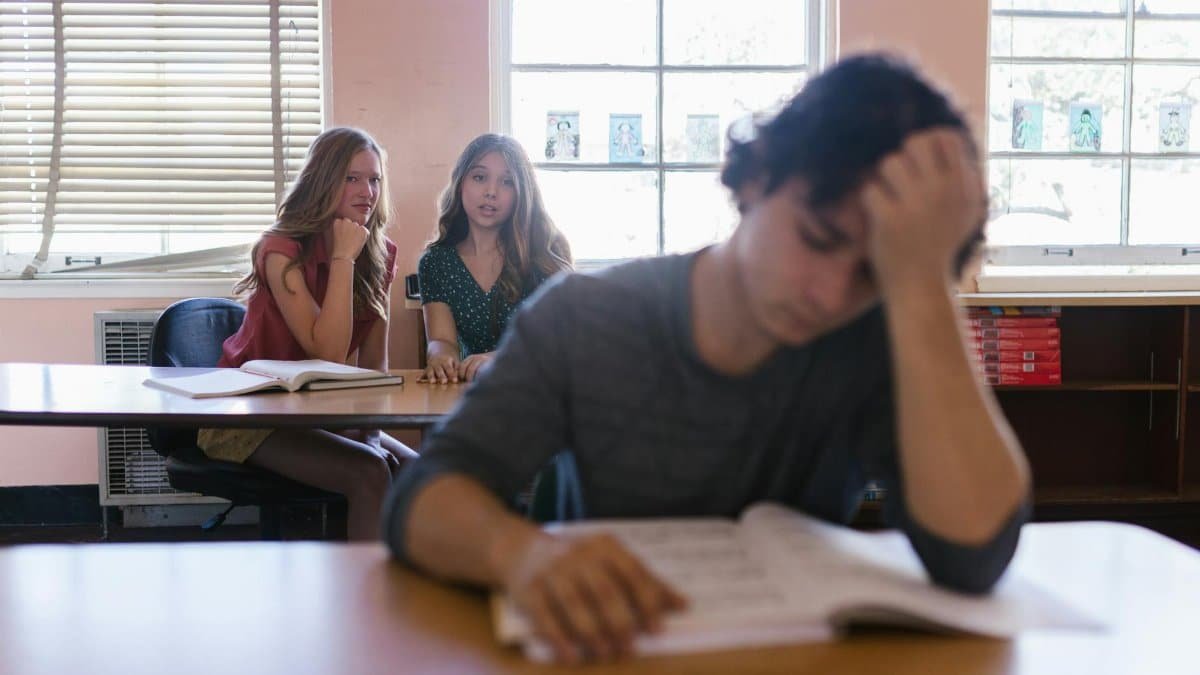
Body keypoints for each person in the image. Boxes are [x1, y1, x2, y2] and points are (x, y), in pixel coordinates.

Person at [383, 54, 1032, 663]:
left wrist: (919, 282)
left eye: (870, 270)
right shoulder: (585, 316)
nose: (830, 293)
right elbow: (421, 498)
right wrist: (517, 554)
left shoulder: (875, 340)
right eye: (817, 238)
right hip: (611, 654)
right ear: (753, 181)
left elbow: (973, 553)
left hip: (790, 660)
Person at [199, 126, 416, 541]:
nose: (367, 191)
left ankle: (406, 592)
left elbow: (374, 365)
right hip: (246, 417)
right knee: (369, 471)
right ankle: (363, 602)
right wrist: (342, 258)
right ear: (322, 180)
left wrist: (370, 431)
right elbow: (329, 354)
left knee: (418, 472)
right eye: (351, 178)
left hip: (319, 412)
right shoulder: (279, 249)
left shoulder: (380, 252)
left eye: (374, 179)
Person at [418, 133, 573, 384]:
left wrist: (504, 358)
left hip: (543, 394)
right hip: (473, 397)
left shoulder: (544, 254)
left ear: (522, 192)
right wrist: (440, 357)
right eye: (479, 177)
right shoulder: (436, 262)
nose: (491, 192)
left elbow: (561, 341)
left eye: (507, 182)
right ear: (460, 184)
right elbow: (441, 340)